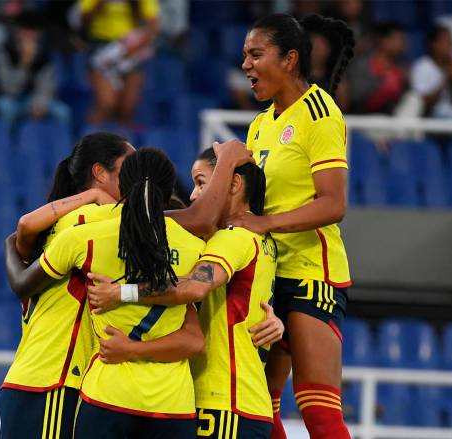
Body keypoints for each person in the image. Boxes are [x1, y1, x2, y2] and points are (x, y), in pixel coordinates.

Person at [86, 148, 284, 438]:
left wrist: (121, 292)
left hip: (223, 404)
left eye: (202, 182)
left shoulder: (232, 238)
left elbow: (193, 286)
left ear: (234, 183)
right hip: (246, 401)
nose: (194, 195)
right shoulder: (263, 242)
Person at [7, 148, 205, 438]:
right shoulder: (196, 249)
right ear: (168, 192)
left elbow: (23, 277)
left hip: (105, 393)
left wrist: (10, 242)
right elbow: (194, 334)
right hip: (171, 402)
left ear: (122, 186)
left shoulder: (83, 236)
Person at [233, 13, 355, 439]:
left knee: (318, 411)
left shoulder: (320, 112)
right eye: (244, 55)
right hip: (268, 275)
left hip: (310, 274)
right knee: (260, 408)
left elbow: (334, 204)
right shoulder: (260, 124)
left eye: (254, 54)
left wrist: (266, 223)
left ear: (289, 59)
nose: (245, 64)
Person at [0, 132, 132, 439]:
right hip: (56, 381)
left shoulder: (54, 223)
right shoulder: (97, 220)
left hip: (29, 378)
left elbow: (21, 230)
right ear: (100, 172)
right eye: (130, 167)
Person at [79, 0, 161, 124]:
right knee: (106, 105)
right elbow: (84, 20)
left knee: (127, 109)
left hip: (132, 49)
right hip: (103, 48)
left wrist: (132, 48)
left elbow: (153, 26)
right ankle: (86, 142)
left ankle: (120, 143)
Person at [0, 10, 71, 128]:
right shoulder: (5, 53)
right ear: (17, 31)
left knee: (63, 112)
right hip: (13, 100)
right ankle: (7, 144)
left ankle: (61, 145)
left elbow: (47, 88)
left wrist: (39, 104)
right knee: (4, 106)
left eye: (33, 31)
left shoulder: (44, 56)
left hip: (34, 100)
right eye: (25, 30)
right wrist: (25, 63)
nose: (28, 35)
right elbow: (10, 90)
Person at [410, 26, 452, 118]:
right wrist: (446, 80)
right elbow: (422, 106)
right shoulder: (421, 67)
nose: (451, 46)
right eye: (446, 42)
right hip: (431, 118)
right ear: (433, 45)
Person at [346, 22, 408, 114]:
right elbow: (355, 95)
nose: (401, 44)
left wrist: (404, 83)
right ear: (384, 40)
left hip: (391, 118)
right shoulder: (362, 65)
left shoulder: (400, 69)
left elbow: (402, 102)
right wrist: (382, 83)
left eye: (402, 40)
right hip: (364, 116)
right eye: (397, 39)